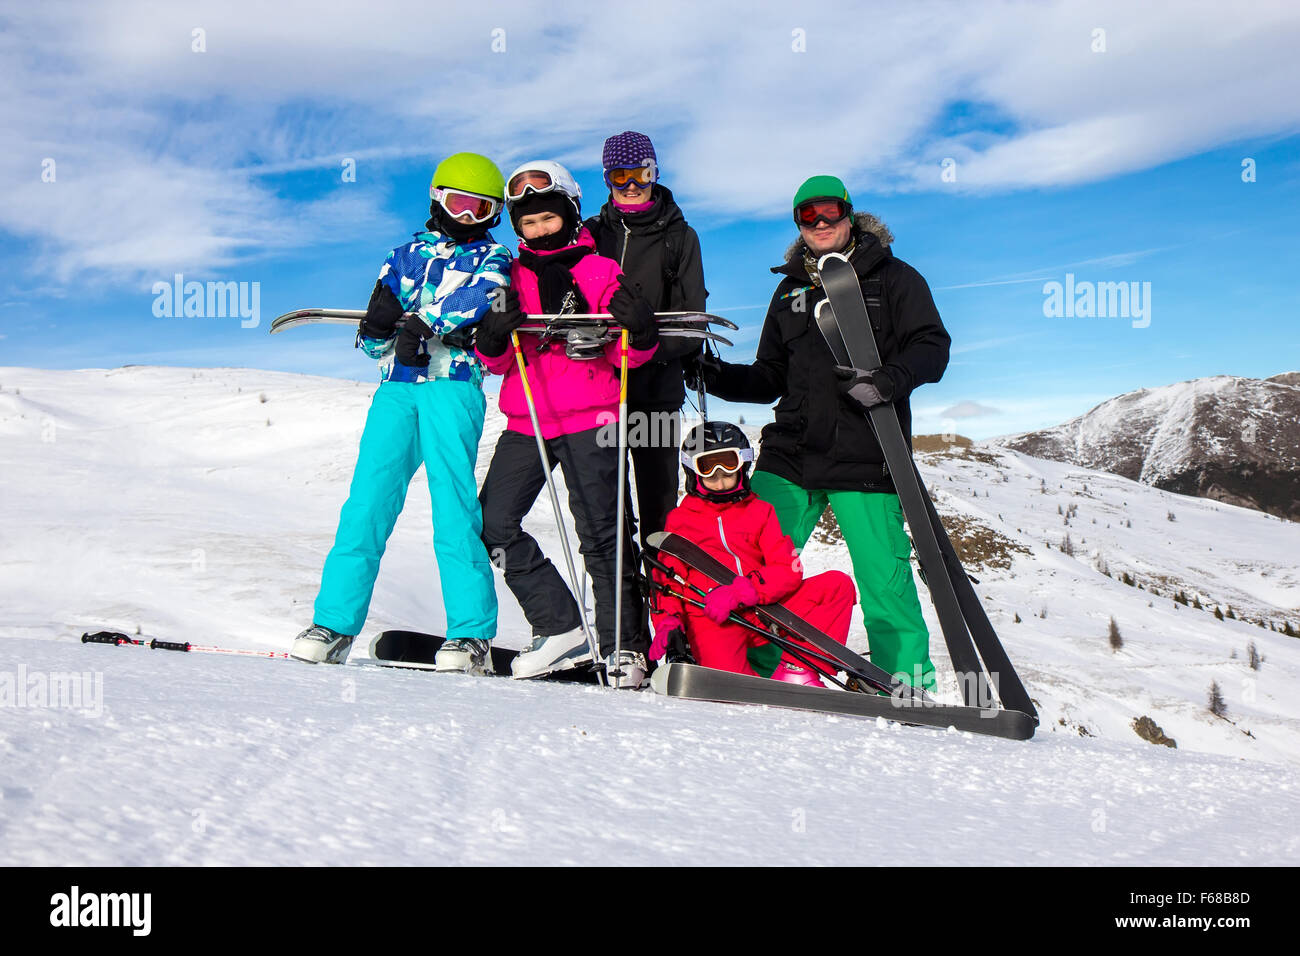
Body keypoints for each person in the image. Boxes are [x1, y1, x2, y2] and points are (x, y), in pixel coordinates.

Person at [693, 175, 950, 690]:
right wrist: (715, 374)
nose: (820, 223)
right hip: (790, 453)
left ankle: (906, 682)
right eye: (807, 217)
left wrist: (889, 381)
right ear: (798, 226)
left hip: (867, 453)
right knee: (751, 566)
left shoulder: (895, 278)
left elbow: (932, 346)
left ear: (849, 214)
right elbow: (769, 377)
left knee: (883, 577)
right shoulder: (790, 289)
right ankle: (757, 665)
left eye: (829, 212)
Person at [290, 152, 510, 675]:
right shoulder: (402, 256)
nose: (467, 216)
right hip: (396, 390)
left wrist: (424, 323)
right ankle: (334, 624)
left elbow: (480, 299)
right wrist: (378, 326)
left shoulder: (495, 258)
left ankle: (470, 634)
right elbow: (371, 346)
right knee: (366, 503)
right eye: (459, 202)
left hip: (451, 387)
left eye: (482, 208)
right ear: (438, 198)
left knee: (453, 509)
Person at [475, 160, 658, 687]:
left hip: (591, 416)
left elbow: (629, 358)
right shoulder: (507, 275)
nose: (538, 229)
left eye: (547, 219)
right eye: (527, 223)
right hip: (527, 416)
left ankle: (623, 646)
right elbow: (500, 360)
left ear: (570, 213)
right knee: (493, 522)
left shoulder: (600, 269)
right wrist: (492, 339)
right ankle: (559, 625)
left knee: (603, 534)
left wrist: (639, 334)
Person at [647, 422, 856, 683]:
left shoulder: (760, 511)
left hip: (761, 609)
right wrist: (668, 620)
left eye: (728, 467)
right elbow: (667, 580)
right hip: (711, 617)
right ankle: (743, 682)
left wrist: (743, 591)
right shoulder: (680, 520)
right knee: (729, 685)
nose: (720, 479)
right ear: (693, 472)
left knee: (837, 586)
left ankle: (796, 671)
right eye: (708, 470)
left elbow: (787, 569)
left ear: (743, 466)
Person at [584, 131, 708, 553]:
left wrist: (646, 343)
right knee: (608, 516)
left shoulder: (680, 238)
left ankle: (666, 612)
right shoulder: (591, 235)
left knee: (659, 517)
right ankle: (625, 618)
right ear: (607, 179)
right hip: (598, 395)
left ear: (655, 172)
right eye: (621, 175)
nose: (632, 184)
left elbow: (692, 323)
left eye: (641, 172)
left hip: (656, 395)